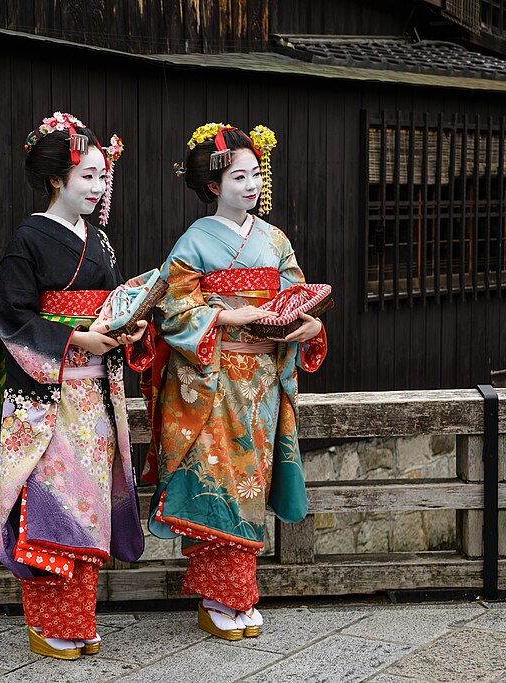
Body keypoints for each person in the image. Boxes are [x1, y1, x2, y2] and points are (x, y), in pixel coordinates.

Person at [143, 122, 327, 640]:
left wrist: (309, 325)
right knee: (221, 484)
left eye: (254, 175)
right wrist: (228, 319)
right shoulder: (194, 241)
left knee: (252, 482)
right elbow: (172, 308)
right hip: (213, 379)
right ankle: (220, 596)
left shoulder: (275, 240)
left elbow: (297, 297)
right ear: (212, 187)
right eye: (238, 177)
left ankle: (235, 594)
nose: (250, 186)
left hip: (264, 380)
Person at [0, 112, 149, 660]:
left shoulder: (99, 241)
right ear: (58, 180)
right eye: (89, 177)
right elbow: (13, 317)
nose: (99, 188)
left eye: (103, 177)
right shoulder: (26, 239)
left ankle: (78, 616)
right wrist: (76, 337)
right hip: (47, 396)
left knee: (91, 501)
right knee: (53, 504)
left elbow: (111, 303)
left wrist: (127, 327)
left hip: (94, 393)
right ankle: (49, 619)